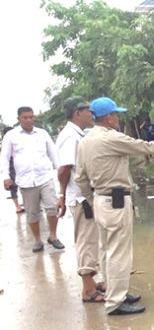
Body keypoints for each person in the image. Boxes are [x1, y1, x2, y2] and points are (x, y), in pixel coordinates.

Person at [75, 97, 154, 316]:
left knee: (106, 251)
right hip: (115, 201)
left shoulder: (85, 141)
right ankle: (116, 302)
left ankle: (115, 292)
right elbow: (147, 147)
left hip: (101, 200)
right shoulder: (110, 138)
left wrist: (93, 201)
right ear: (108, 117)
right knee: (119, 254)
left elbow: (81, 178)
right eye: (116, 115)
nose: (118, 118)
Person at [55, 97, 107, 303]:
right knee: (86, 241)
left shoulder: (79, 134)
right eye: (88, 110)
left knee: (93, 240)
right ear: (77, 113)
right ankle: (88, 290)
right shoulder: (70, 136)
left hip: (85, 196)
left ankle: (93, 283)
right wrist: (62, 194)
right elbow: (65, 169)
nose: (91, 114)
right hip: (80, 198)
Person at [0, 107, 63, 252]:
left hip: (45, 177)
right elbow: (4, 157)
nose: (28, 120)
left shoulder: (42, 134)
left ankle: (53, 236)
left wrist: (60, 172)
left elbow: (53, 154)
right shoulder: (11, 136)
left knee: (52, 208)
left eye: (31, 117)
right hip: (26, 181)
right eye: (25, 118)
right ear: (19, 119)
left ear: (34, 118)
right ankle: (38, 240)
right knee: (32, 212)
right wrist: (5, 177)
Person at [2, 126, 24, 214]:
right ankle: (19, 206)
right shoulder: (8, 143)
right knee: (17, 187)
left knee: (15, 188)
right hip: (14, 168)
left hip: (15, 168)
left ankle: (18, 206)